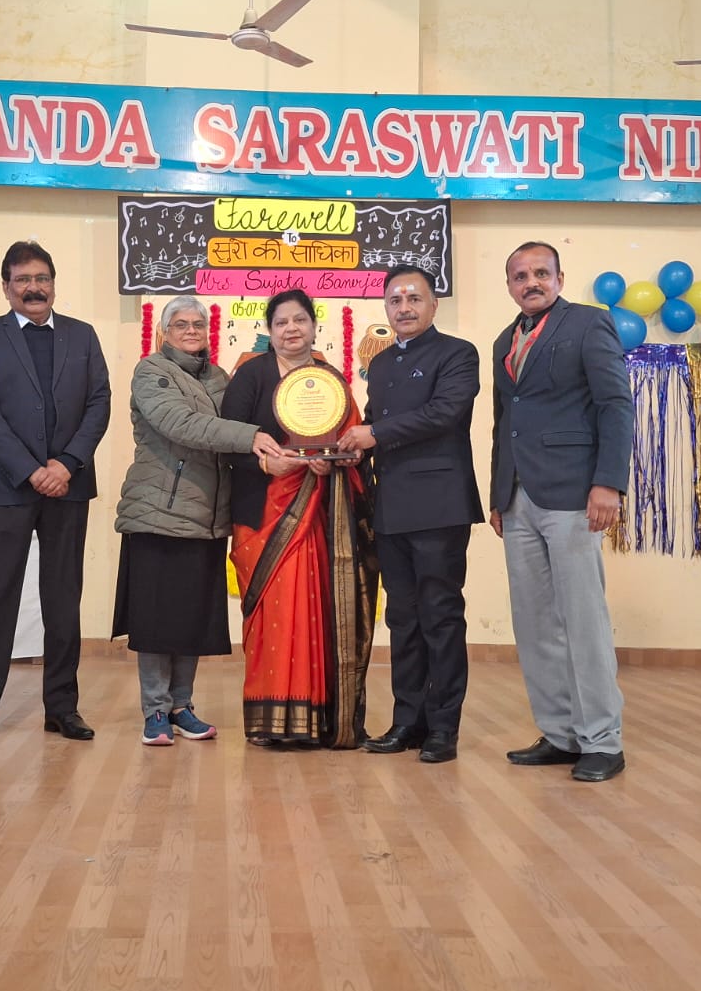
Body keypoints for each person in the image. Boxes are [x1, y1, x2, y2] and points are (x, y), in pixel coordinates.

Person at [0, 241, 110, 749]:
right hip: (4, 487)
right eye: (22, 279)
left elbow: (99, 402)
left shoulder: (82, 335)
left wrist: (65, 464)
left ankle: (61, 708)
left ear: (53, 284)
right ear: (6, 287)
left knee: (63, 600)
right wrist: (30, 470)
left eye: (42, 278)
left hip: (69, 484)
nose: (33, 287)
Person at [488, 242, 634, 782]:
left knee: (582, 620)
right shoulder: (504, 340)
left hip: (575, 493)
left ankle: (603, 741)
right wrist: (498, 495)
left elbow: (616, 404)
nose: (531, 282)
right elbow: (505, 421)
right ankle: (561, 733)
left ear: (559, 277)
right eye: (520, 275)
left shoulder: (589, 324)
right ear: (510, 285)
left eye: (541, 273)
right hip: (518, 498)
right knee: (533, 623)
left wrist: (608, 483)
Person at [113, 297, 284, 745]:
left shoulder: (219, 378)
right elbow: (182, 424)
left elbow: (245, 417)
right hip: (158, 513)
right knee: (156, 619)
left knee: (189, 618)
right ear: (165, 332)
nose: (191, 330)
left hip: (207, 517)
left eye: (198, 324)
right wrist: (253, 437)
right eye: (180, 324)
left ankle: (181, 706)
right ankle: (155, 711)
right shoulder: (151, 371)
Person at [221, 289, 378, 749]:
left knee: (321, 612)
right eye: (281, 322)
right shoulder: (251, 375)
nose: (291, 329)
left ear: (313, 326)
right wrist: (267, 464)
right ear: (270, 332)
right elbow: (228, 442)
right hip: (264, 513)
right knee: (274, 611)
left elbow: (349, 441)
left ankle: (321, 718)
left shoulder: (331, 380)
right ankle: (271, 721)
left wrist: (338, 460)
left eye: (299, 320)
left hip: (320, 515)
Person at [337, 268, 481, 764]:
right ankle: (407, 721)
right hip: (391, 507)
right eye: (395, 300)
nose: (404, 307)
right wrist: (349, 446)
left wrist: (374, 435)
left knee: (440, 616)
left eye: (414, 298)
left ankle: (443, 727)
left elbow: (444, 413)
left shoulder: (457, 353)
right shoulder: (380, 365)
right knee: (402, 618)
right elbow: (374, 425)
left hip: (440, 505)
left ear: (433, 305)